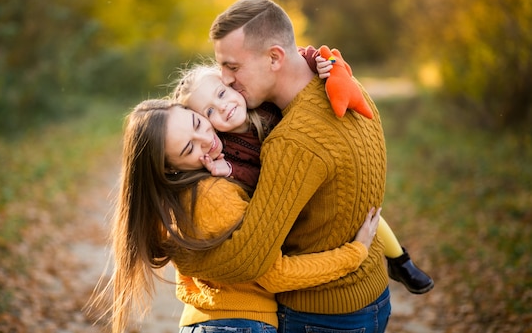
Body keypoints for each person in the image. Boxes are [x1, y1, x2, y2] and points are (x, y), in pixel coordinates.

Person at [168, 0, 394, 333]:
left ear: (275, 57)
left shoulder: (291, 141)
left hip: (320, 315)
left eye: (233, 67)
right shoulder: (343, 83)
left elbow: (252, 260)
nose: (226, 80)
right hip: (371, 294)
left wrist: (179, 253)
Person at [108, 99, 382, 333]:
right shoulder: (212, 195)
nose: (206, 140)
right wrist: (353, 254)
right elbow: (274, 275)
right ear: (169, 168)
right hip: (240, 323)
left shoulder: (178, 195)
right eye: (189, 149)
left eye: (197, 122)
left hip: (209, 321)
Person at [172, 61, 434, 295]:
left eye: (221, 94)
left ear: (231, 86)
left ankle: (400, 260)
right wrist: (229, 171)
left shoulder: (263, 103)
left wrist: (316, 60)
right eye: (208, 112)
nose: (223, 108)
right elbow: (256, 181)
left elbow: (286, 59)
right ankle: (338, 265)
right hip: (282, 197)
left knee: (365, 209)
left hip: (312, 173)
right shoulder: (226, 150)